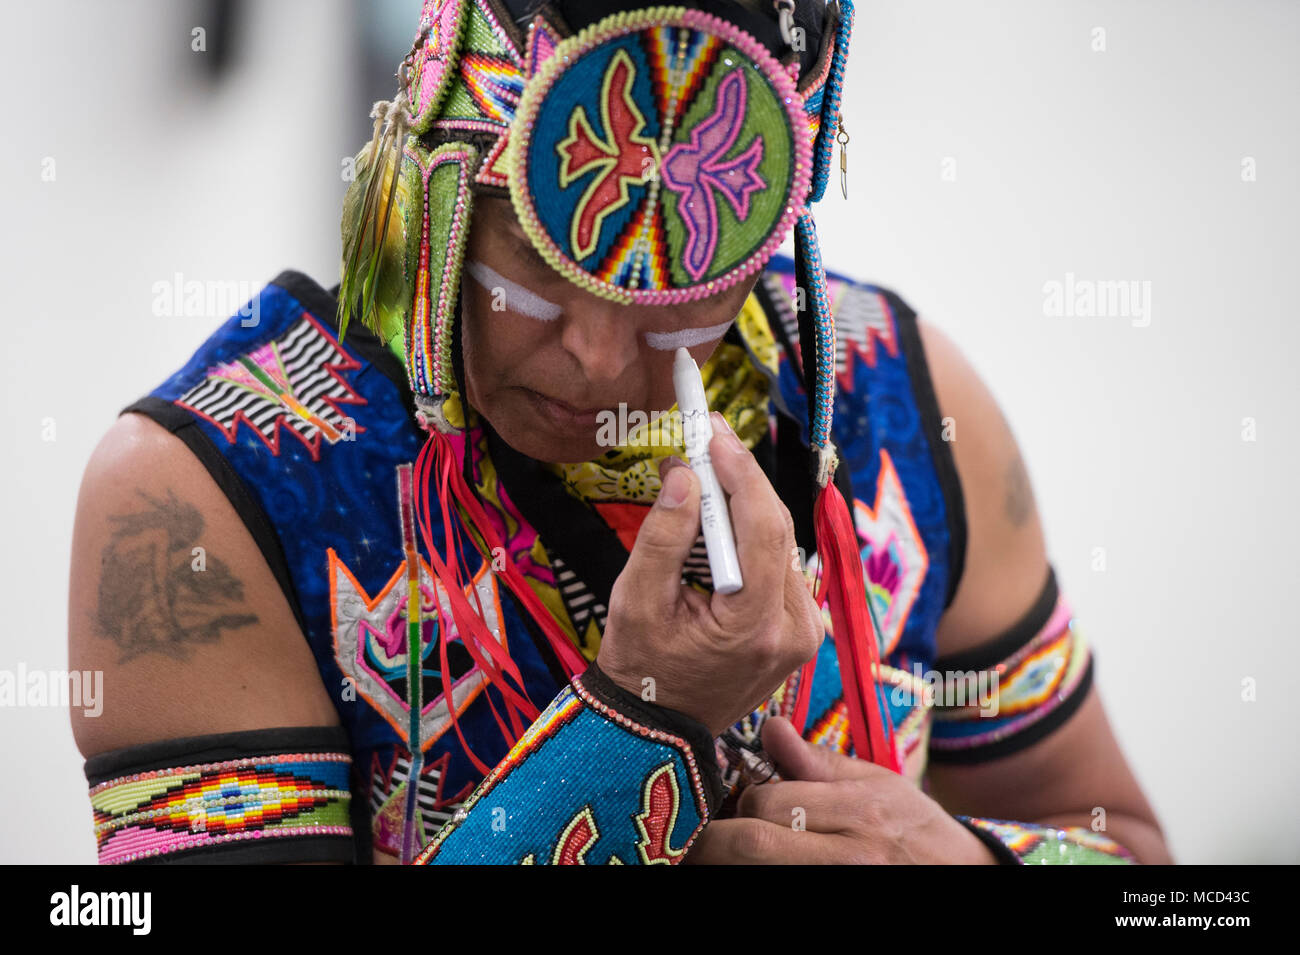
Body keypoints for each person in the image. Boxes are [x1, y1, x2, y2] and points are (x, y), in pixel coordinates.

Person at [69, 0, 1171, 865]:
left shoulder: (903, 403)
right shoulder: (205, 497)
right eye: (536, 269)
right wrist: (640, 724)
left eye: (676, 291)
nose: (597, 356)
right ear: (433, 181)